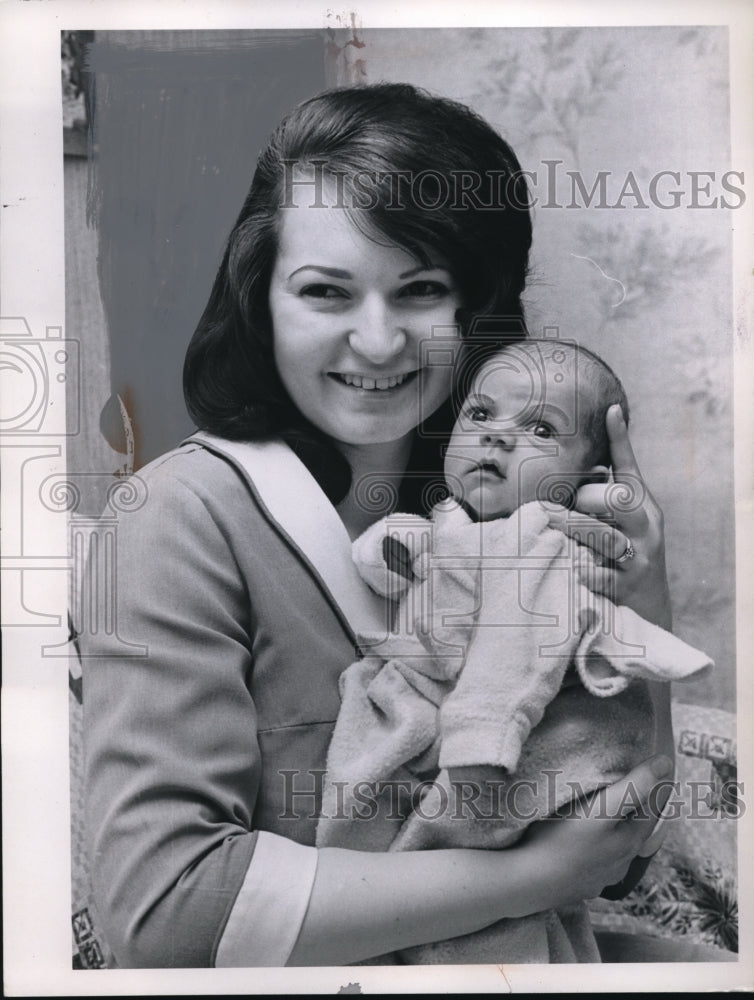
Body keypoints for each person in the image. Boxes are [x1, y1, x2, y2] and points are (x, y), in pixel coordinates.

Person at [80, 82, 677, 969]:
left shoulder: (513, 512)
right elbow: (164, 915)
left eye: (421, 290)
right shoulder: (182, 516)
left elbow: (623, 847)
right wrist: (531, 878)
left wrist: (645, 618)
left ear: (477, 309)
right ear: (262, 302)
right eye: (326, 292)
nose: (378, 342)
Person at [315, 339, 713, 963]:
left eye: (539, 428)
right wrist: (388, 553)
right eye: (480, 415)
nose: (497, 439)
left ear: (588, 482)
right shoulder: (456, 521)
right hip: (451, 736)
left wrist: (478, 741)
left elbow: (515, 650)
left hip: (498, 751)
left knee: (478, 925)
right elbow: (420, 555)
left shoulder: (545, 548)